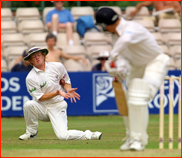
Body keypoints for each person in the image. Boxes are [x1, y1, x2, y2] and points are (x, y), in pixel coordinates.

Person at [95, 7, 169, 151]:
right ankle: (131, 137)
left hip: (155, 62)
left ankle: (138, 140)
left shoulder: (131, 28)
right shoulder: (115, 36)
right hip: (136, 67)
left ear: (105, 25)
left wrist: (111, 57)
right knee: (129, 102)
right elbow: (123, 57)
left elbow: (125, 40)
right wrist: (120, 69)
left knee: (138, 95)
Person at [19, 47, 102, 140]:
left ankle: (89, 135)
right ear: (30, 61)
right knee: (28, 105)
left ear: (43, 55)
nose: (37, 58)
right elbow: (40, 97)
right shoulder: (30, 77)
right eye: (34, 57)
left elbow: (65, 81)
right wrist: (57, 92)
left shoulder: (57, 66)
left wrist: (68, 89)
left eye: (38, 55)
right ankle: (31, 133)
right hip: (42, 107)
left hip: (57, 106)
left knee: (62, 136)